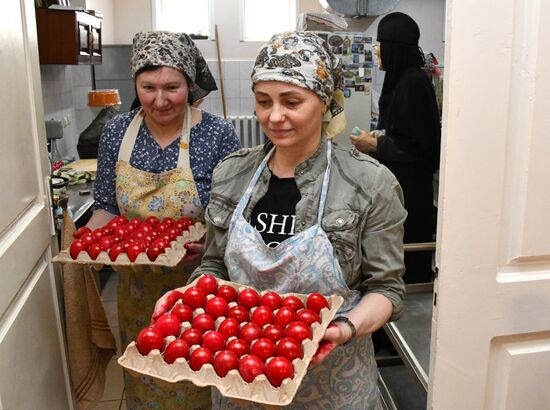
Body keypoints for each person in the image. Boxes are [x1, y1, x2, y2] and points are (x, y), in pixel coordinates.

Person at [154, 31, 406, 409]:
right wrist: (193, 298)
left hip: (334, 384)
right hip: (240, 376)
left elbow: (387, 290)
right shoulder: (232, 174)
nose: (274, 117)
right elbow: (213, 264)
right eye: (263, 101)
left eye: (291, 102)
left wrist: (345, 328)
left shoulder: (368, 183)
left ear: (323, 102)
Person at [88, 31, 240, 409]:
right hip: (137, 286)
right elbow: (106, 204)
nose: (159, 100)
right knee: (147, 372)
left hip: (201, 287)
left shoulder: (217, 135)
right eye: (148, 87)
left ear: (189, 85)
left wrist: (210, 245)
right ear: (135, 84)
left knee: (200, 373)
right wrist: (88, 245)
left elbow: (238, 216)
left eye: (172, 87)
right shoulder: (116, 132)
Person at [350, 12, 441, 284]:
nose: (376, 50)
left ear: (395, 47)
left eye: (381, 45)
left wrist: (376, 143)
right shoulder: (400, 79)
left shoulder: (413, 83)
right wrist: (380, 136)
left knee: (409, 262)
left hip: (412, 194)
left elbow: (424, 149)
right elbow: (403, 131)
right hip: (398, 188)